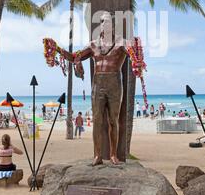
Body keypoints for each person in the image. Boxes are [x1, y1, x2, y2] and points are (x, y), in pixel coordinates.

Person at [45, 12, 145, 166]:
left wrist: (137, 58)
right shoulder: (93, 44)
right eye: (104, 22)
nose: (107, 25)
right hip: (98, 83)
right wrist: (57, 49)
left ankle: (113, 155)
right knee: (97, 120)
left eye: (110, 22)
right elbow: (74, 57)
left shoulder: (121, 43)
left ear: (113, 26)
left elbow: (133, 55)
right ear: (101, 26)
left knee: (113, 120)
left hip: (114, 83)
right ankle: (98, 156)